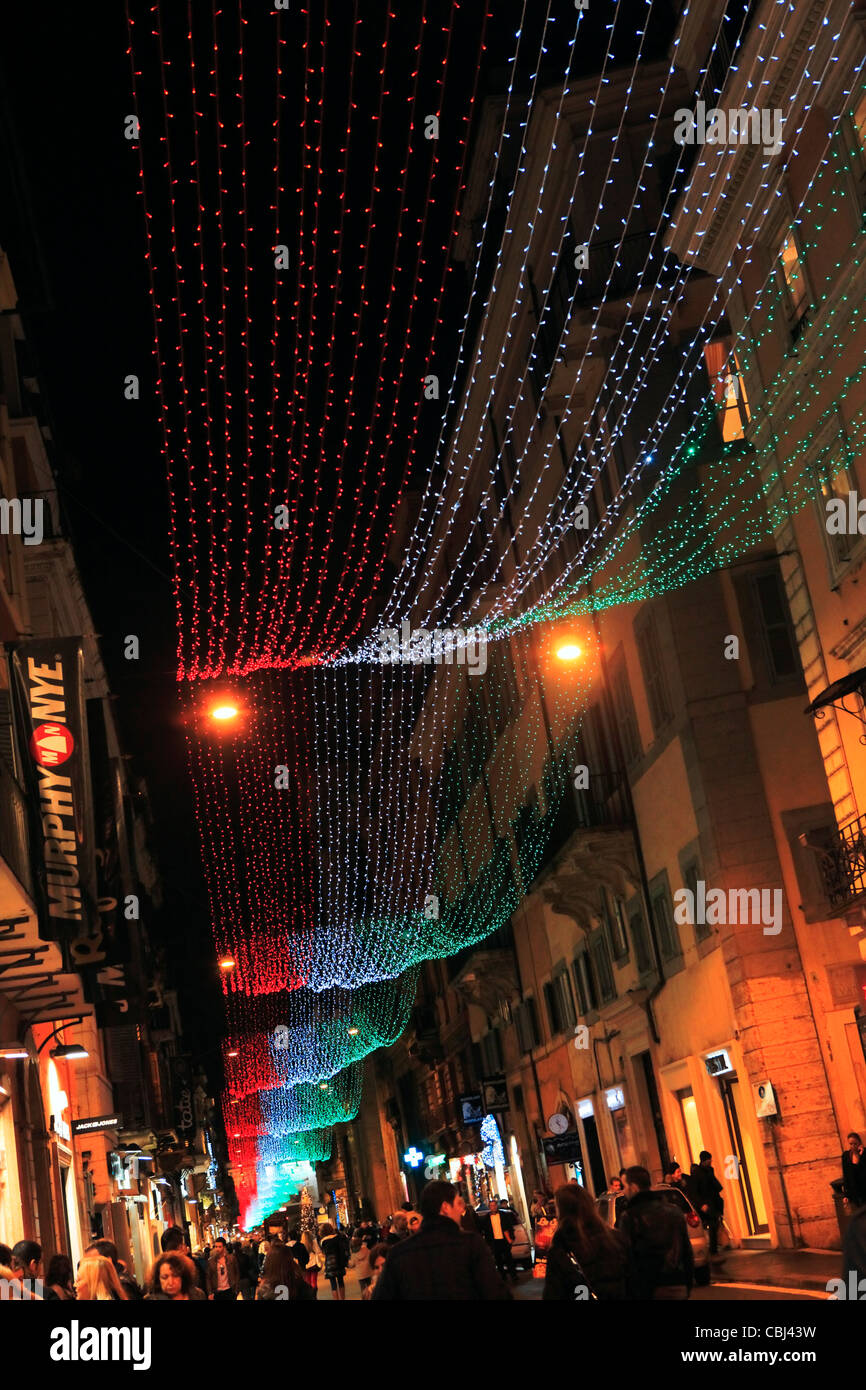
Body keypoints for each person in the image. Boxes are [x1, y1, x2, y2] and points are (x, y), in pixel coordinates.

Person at [372, 1179, 511, 1301]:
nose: (461, 1209)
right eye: (458, 1203)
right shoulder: (471, 1244)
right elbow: (495, 1292)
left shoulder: (399, 1253)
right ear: (445, 1207)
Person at [543, 1183, 630, 1301]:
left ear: (562, 1212)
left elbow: (554, 1294)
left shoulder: (561, 1250)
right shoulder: (616, 1238)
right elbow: (634, 1281)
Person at [618, 1165, 694, 1300]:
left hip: (649, 1287)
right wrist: (687, 1284)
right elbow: (686, 1251)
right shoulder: (674, 1211)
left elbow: (626, 1258)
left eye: (625, 1186)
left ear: (634, 1187)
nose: (623, 1191)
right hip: (677, 1282)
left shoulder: (630, 1217)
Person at [688, 1151, 724, 1255]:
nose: (711, 1161)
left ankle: (714, 1247)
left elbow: (714, 1185)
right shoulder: (697, 1173)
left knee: (715, 1223)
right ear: (705, 1160)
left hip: (713, 1201)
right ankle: (713, 1249)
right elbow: (694, 1191)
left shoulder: (709, 1170)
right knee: (712, 1224)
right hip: (706, 1204)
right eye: (709, 1159)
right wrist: (701, 1204)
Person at [480, 1196, 517, 1284]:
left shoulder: (504, 1215)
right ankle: (503, 1276)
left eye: (494, 1205)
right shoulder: (486, 1218)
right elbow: (486, 1231)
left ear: (497, 1206)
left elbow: (509, 1227)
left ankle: (513, 1275)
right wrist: (488, 1243)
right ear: (489, 1207)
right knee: (498, 1260)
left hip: (504, 1240)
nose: (493, 1207)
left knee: (509, 1259)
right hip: (495, 1241)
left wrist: (511, 1238)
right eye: (491, 1206)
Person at [320, 1222, 351, 1300]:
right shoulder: (338, 1238)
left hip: (329, 1264)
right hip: (338, 1261)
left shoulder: (323, 1241)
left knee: (333, 1284)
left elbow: (324, 1252)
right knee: (340, 1281)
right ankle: (342, 1298)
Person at [207, 1236, 240, 1301]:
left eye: (220, 1247)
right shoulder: (211, 1261)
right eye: (216, 1247)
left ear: (224, 1247)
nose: (217, 1249)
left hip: (230, 1290)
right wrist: (210, 1292)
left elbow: (237, 1273)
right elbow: (208, 1277)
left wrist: (236, 1289)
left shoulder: (231, 1259)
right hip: (217, 1291)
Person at [842, 1132, 866, 1211]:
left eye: (855, 1144)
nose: (853, 1146)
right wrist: (846, 1195)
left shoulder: (864, 1153)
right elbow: (846, 1175)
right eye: (851, 1144)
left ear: (859, 1142)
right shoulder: (846, 1156)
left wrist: (862, 1155)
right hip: (854, 1191)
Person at [299, 1228, 323, 1292]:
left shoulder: (301, 1245)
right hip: (314, 1265)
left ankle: (309, 1294)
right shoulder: (313, 1243)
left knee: (308, 1281)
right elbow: (318, 1251)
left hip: (306, 1266)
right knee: (314, 1281)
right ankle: (314, 1295)